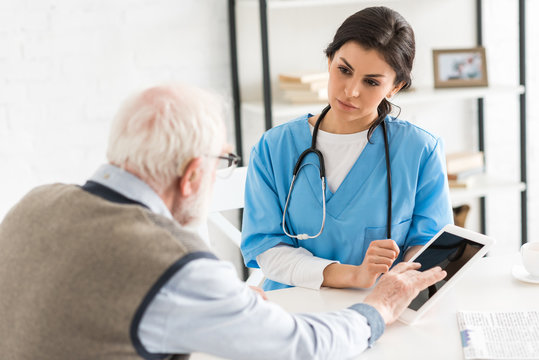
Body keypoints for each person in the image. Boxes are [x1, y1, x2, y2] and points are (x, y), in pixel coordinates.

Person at [0, 83, 446, 359]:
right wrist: (378, 308)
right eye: (221, 163)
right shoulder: (175, 267)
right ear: (194, 174)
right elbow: (301, 346)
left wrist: (226, 302)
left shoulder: (33, 204)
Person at [241, 6, 454, 291]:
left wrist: (415, 268)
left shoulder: (420, 151)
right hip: (295, 314)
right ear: (329, 60)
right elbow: (267, 250)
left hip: (379, 309)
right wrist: (352, 275)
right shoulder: (273, 148)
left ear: (395, 87)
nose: (351, 91)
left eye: (371, 82)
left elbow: (427, 247)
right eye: (344, 70)